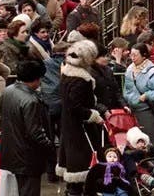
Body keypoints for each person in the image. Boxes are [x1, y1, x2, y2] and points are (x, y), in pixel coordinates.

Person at [0, 59, 56, 196]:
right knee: (29, 191)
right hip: (28, 157)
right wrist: (50, 148)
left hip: (11, 151)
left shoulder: (7, 91)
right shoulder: (31, 100)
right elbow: (35, 132)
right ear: (36, 79)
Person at [59, 40, 105, 194]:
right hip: (80, 129)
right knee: (82, 168)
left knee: (75, 168)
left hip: (69, 126)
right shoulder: (80, 80)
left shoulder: (67, 73)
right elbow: (75, 106)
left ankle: (73, 190)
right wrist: (93, 115)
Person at [122, 42, 154, 144]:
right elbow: (126, 88)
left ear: (144, 56)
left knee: (148, 141)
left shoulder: (153, 72)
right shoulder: (130, 69)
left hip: (146, 111)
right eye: (131, 55)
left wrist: (147, 95)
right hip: (131, 110)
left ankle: (151, 159)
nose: (132, 58)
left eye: (135, 55)